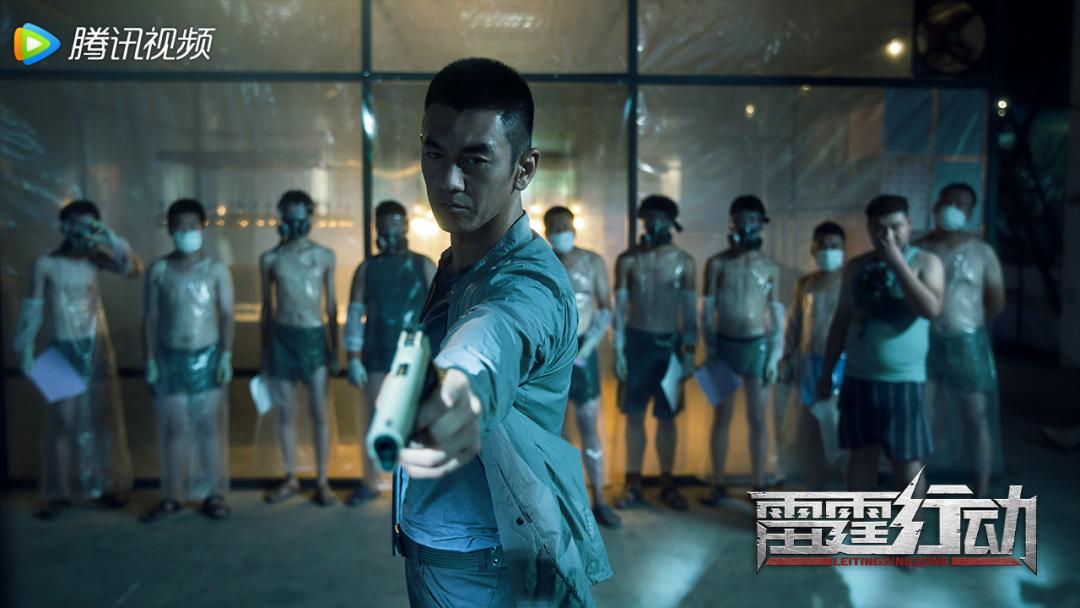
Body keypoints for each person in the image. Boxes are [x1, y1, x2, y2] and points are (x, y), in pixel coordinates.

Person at [395, 57, 609, 607]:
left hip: (485, 570)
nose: (448, 181)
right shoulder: (460, 262)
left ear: (524, 168)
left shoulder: (527, 284)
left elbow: (499, 332)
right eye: (435, 154)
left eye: (475, 160)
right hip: (444, 550)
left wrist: (460, 388)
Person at [13, 199, 141, 519]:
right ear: (64, 227)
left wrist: (112, 239)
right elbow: (33, 305)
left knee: (101, 419)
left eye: (89, 226)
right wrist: (25, 348)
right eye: (76, 225)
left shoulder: (96, 259)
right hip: (59, 348)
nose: (82, 232)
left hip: (95, 348)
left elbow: (132, 270)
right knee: (63, 423)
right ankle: (59, 493)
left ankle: (106, 486)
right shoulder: (46, 263)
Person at [817, 195, 945, 494]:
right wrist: (826, 373)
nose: (887, 235)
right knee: (860, 456)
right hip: (858, 377)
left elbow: (931, 309)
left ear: (909, 224)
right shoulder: (856, 267)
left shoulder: (926, 262)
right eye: (878, 228)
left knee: (907, 461)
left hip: (904, 380)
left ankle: (911, 522)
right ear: (869, 229)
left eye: (895, 226)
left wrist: (896, 261)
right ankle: (857, 520)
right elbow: (840, 322)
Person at [141, 199, 234, 522]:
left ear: (203, 228)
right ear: (170, 230)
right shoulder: (159, 269)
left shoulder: (216, 269)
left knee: (208, 428)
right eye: (179, 227)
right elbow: (150, 317)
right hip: (169, 357)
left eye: (192, 226)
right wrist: (150, 359)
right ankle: (173, 494)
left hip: (207, 355)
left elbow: (226, 314)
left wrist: (226, 355)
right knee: (175, 428)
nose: (186, 232)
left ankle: (213, 493)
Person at [916, 183, 1005, 497]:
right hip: (924, 341)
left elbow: (995, 300)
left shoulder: (981, 252)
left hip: (967, 343)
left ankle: (980, 489)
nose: (953, 207)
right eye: (948, 200)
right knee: (921, 415)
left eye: (962, 204)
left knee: (975, 415)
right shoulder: (918, 249)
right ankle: (916, 484)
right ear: (936, 204)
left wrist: (970, 326)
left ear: (969, 213)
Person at [344, 200, 435, 505]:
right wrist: (353, 358)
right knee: (374, 421)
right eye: (383, 227)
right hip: (376, 353)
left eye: (395, 225)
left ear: (405, 226)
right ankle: (370, 482)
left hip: (414, 357)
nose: (389, 232)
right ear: (376, 229)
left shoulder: (423, 265)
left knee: (415, 421)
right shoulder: (366, 269)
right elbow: (355, 314)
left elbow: (440, 310)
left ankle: (416, 486)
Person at [612, 195, 697, 511]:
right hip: (636, 344)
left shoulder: (684, 262)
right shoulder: (629, 260)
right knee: (634, 415)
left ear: (672, 222)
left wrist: (690, 350)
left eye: (661, 218)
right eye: (649, 218)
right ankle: (634, 482)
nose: (654, 224)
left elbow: (690, 311)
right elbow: (619, 309)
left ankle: (667, 482)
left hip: (670, 345)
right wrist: (618, 349)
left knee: (667, 417)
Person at [700, 195, 783, 504]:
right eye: (739, 219)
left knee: (758, 418)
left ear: (761, 224)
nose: (745, 225)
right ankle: (718, 482)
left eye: (751, 220)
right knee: (721, 416)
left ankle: (759, 484)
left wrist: (775, 355)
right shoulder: (717, 263)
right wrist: (709, 347)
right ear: (731, 223)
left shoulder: (769, 267)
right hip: (724, 345)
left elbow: (776, 314)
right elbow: (707, 310)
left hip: (757, 346)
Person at [259, 190, 339, 506]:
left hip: (313, 337)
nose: (294, 223)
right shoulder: (271, 259)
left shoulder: (324, 256)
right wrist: (265, 350)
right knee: (285, 412)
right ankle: (291, 477)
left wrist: (335, 350)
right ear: (281, 219)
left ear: (309, 218)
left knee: (319, 410)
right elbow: (267, 309)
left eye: (299, 216)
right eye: (288, 217)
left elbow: (330, 306)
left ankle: (322, 480)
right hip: (282, 337)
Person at [544, 205, 621, 528]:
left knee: (589, 425)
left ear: (574, 228)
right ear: (547, 232)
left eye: (565, 226)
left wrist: (588, 346)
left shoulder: (592, 262)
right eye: (554, 228)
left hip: (583, 354)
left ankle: (599, 499)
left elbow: (605, 309)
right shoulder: (541, 262)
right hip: (551, 357)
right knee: (557, 431)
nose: (561, 232)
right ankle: (567, 502)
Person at [778, 221, 847, 490]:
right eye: (822, 246)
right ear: (813, 249)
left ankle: (846, 487)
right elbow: (794, 324)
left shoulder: (848, 282)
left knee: (841, 427)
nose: (828, 251)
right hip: (808, 362)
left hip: (841, 363)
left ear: (843, 249)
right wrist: (786, 357)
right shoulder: (805, 284)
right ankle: (816, 484)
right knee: (810, 427)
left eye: (834, 246)